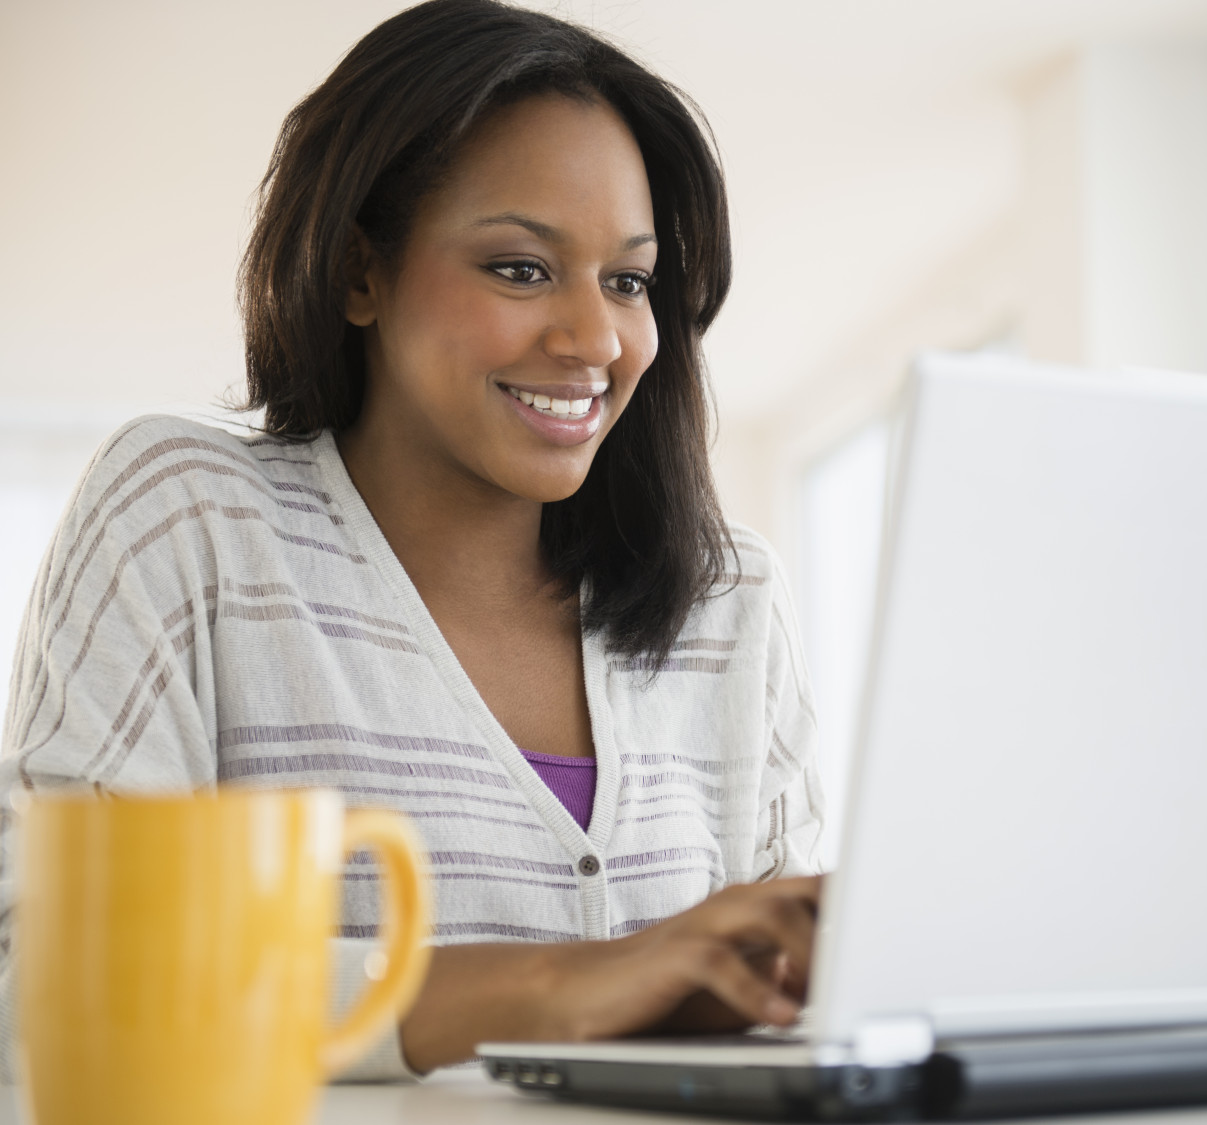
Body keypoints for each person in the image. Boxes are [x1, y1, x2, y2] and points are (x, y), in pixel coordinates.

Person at [0, 0, 824, 1080]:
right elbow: (49, 992)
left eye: (629, 280)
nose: (595, 339)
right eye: (521, 268)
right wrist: (549, 989)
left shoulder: (732, 603)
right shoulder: (192, 516)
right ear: (359, 273)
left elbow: (789, 1004)